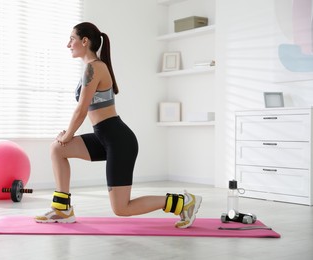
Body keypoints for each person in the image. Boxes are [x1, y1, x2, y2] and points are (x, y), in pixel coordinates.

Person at [35, 22, 202, 228]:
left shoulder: (94, 68)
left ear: (85, 41)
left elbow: (81, 110)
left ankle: (183, 202)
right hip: (103, 136)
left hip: (118, 140)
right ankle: (62, 209)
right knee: (57, 149)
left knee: (122, 208)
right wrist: (66, 137)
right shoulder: (92, 68)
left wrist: (68, 135)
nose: (67, 44)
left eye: (72, 39)